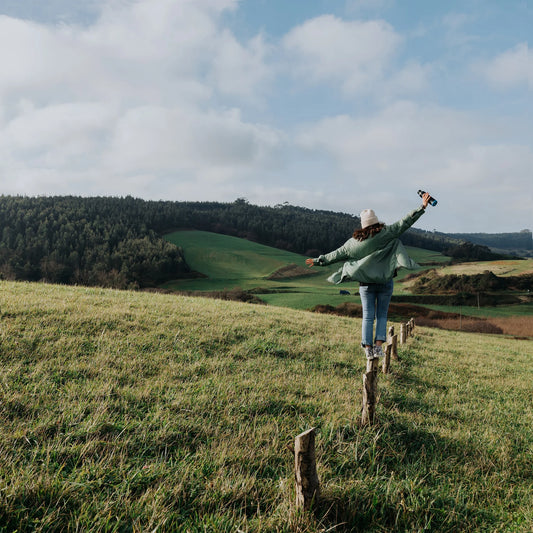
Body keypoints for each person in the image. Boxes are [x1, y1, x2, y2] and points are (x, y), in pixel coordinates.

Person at [306, 193, 432, 360]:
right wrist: (422, 206)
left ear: (362, 225)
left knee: (368, 316)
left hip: (366, 285)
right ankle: (378, 348)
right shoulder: (386, 233)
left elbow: (334, 255)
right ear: (376, 221)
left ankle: (367, 348)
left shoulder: (352, 244)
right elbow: (405, 222)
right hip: (385, 282)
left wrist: (317, 261)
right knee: (381, 315)